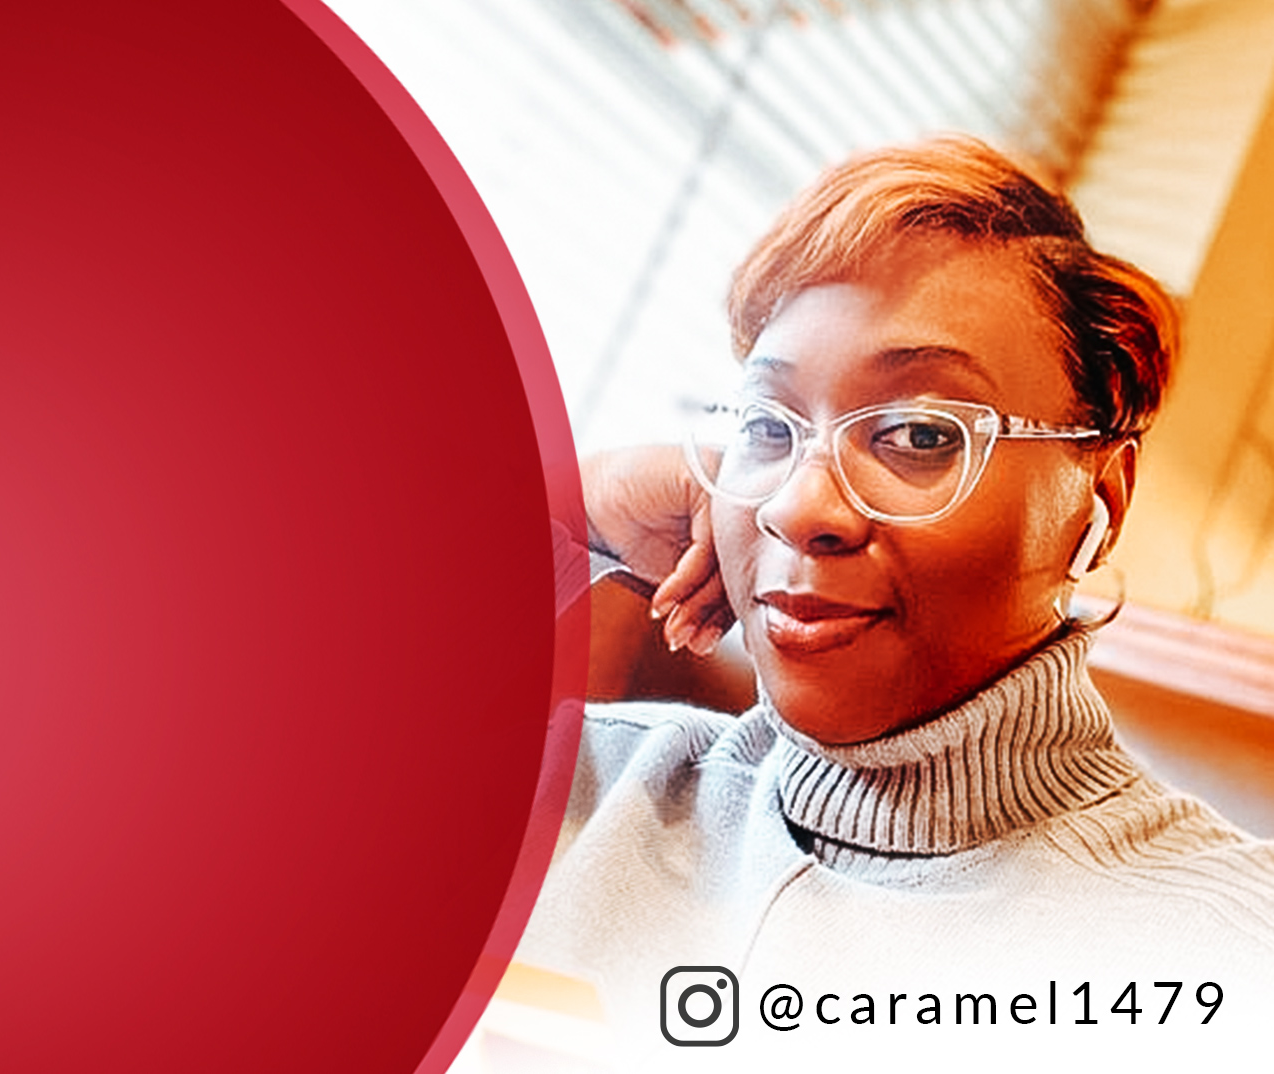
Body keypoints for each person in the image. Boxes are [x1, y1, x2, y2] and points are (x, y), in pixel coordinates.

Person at [518, 136, 1274, 1053]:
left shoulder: (1223, 952)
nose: (801, 507)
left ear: (1097, 503)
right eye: (768, 424)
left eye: (918, 434)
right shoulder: (572, 784)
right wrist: (571, 496)